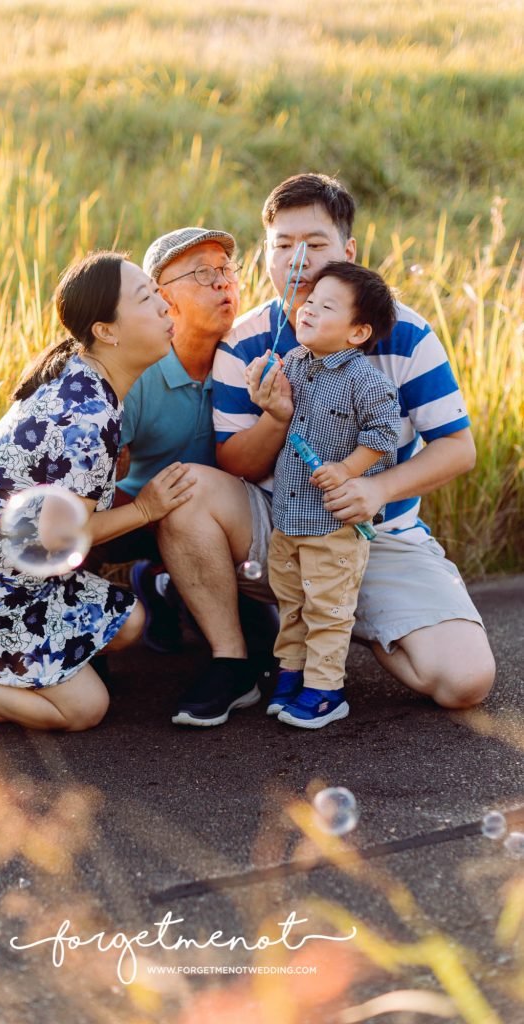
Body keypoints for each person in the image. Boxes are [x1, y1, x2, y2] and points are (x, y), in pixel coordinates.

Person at [157, 172, 494, 727]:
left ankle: (343, 619)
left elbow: (457, 448)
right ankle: (233, 659)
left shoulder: (403, 333)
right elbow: (235, 465)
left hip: (377, 535)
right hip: (282, 527)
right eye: (282, 245)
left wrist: (374, 488)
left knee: (464, 681)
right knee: (187, 489)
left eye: (314, 244)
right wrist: (275, 419)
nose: (297, 259)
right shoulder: (244, 341)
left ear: (348, 251)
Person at [0, 251, 196, 736]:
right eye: (146, 297)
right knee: (86, 708)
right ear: (106, 331)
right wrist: (146, 508)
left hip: (1, 571)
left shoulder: (81, 377)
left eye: (157, 293)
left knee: (128, 621)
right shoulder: (86, 419)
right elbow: (64, 537)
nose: (164, 305)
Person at [258, 262, 400, 729]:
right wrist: (268, 396)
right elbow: (284, 414)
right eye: (310, 300)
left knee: (328, 609)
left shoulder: (365, 379)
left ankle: (325, 689)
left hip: (333, 525)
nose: (308, 309)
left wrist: (348, 469)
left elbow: (385, 434)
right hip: (290, 518)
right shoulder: (296, 363)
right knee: (292, 604)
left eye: (326, 306)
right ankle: (292, 674)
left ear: (358, 332)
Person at [88, 227, 241, 653]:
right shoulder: (140, 371)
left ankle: (162, 581)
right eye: (202, 274)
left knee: (263, 643)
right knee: (79, 520)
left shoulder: (254, 355)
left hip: (217, 521)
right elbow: (96, 473)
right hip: (140, 511)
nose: (223, 282)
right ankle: (84, 647)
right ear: (162, 297)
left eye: (226, 269)